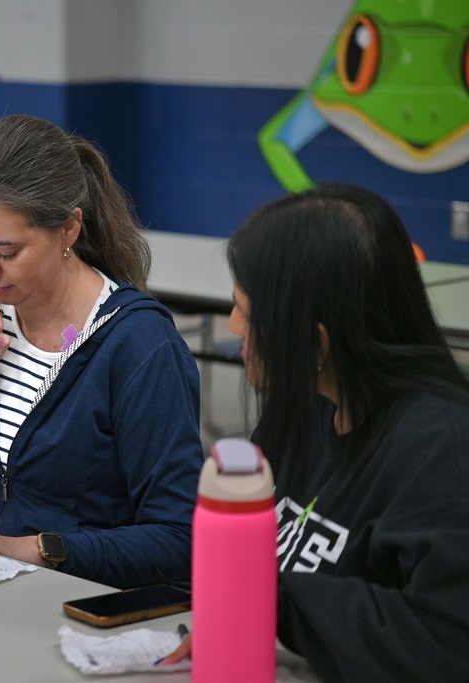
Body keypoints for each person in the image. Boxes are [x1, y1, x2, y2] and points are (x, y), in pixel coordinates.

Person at [161, 184, 469, 681]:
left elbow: (444, 642)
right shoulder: (302, 411)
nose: (235, 326)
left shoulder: (442, 452)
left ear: (316, 339)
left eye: (247, 310)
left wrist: (274, 602)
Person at [0, 115, 204, 588]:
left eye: (8, 251)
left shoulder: (138, 345)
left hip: (75, 597)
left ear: (69, 229)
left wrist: (26, 548)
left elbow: (181, 541)